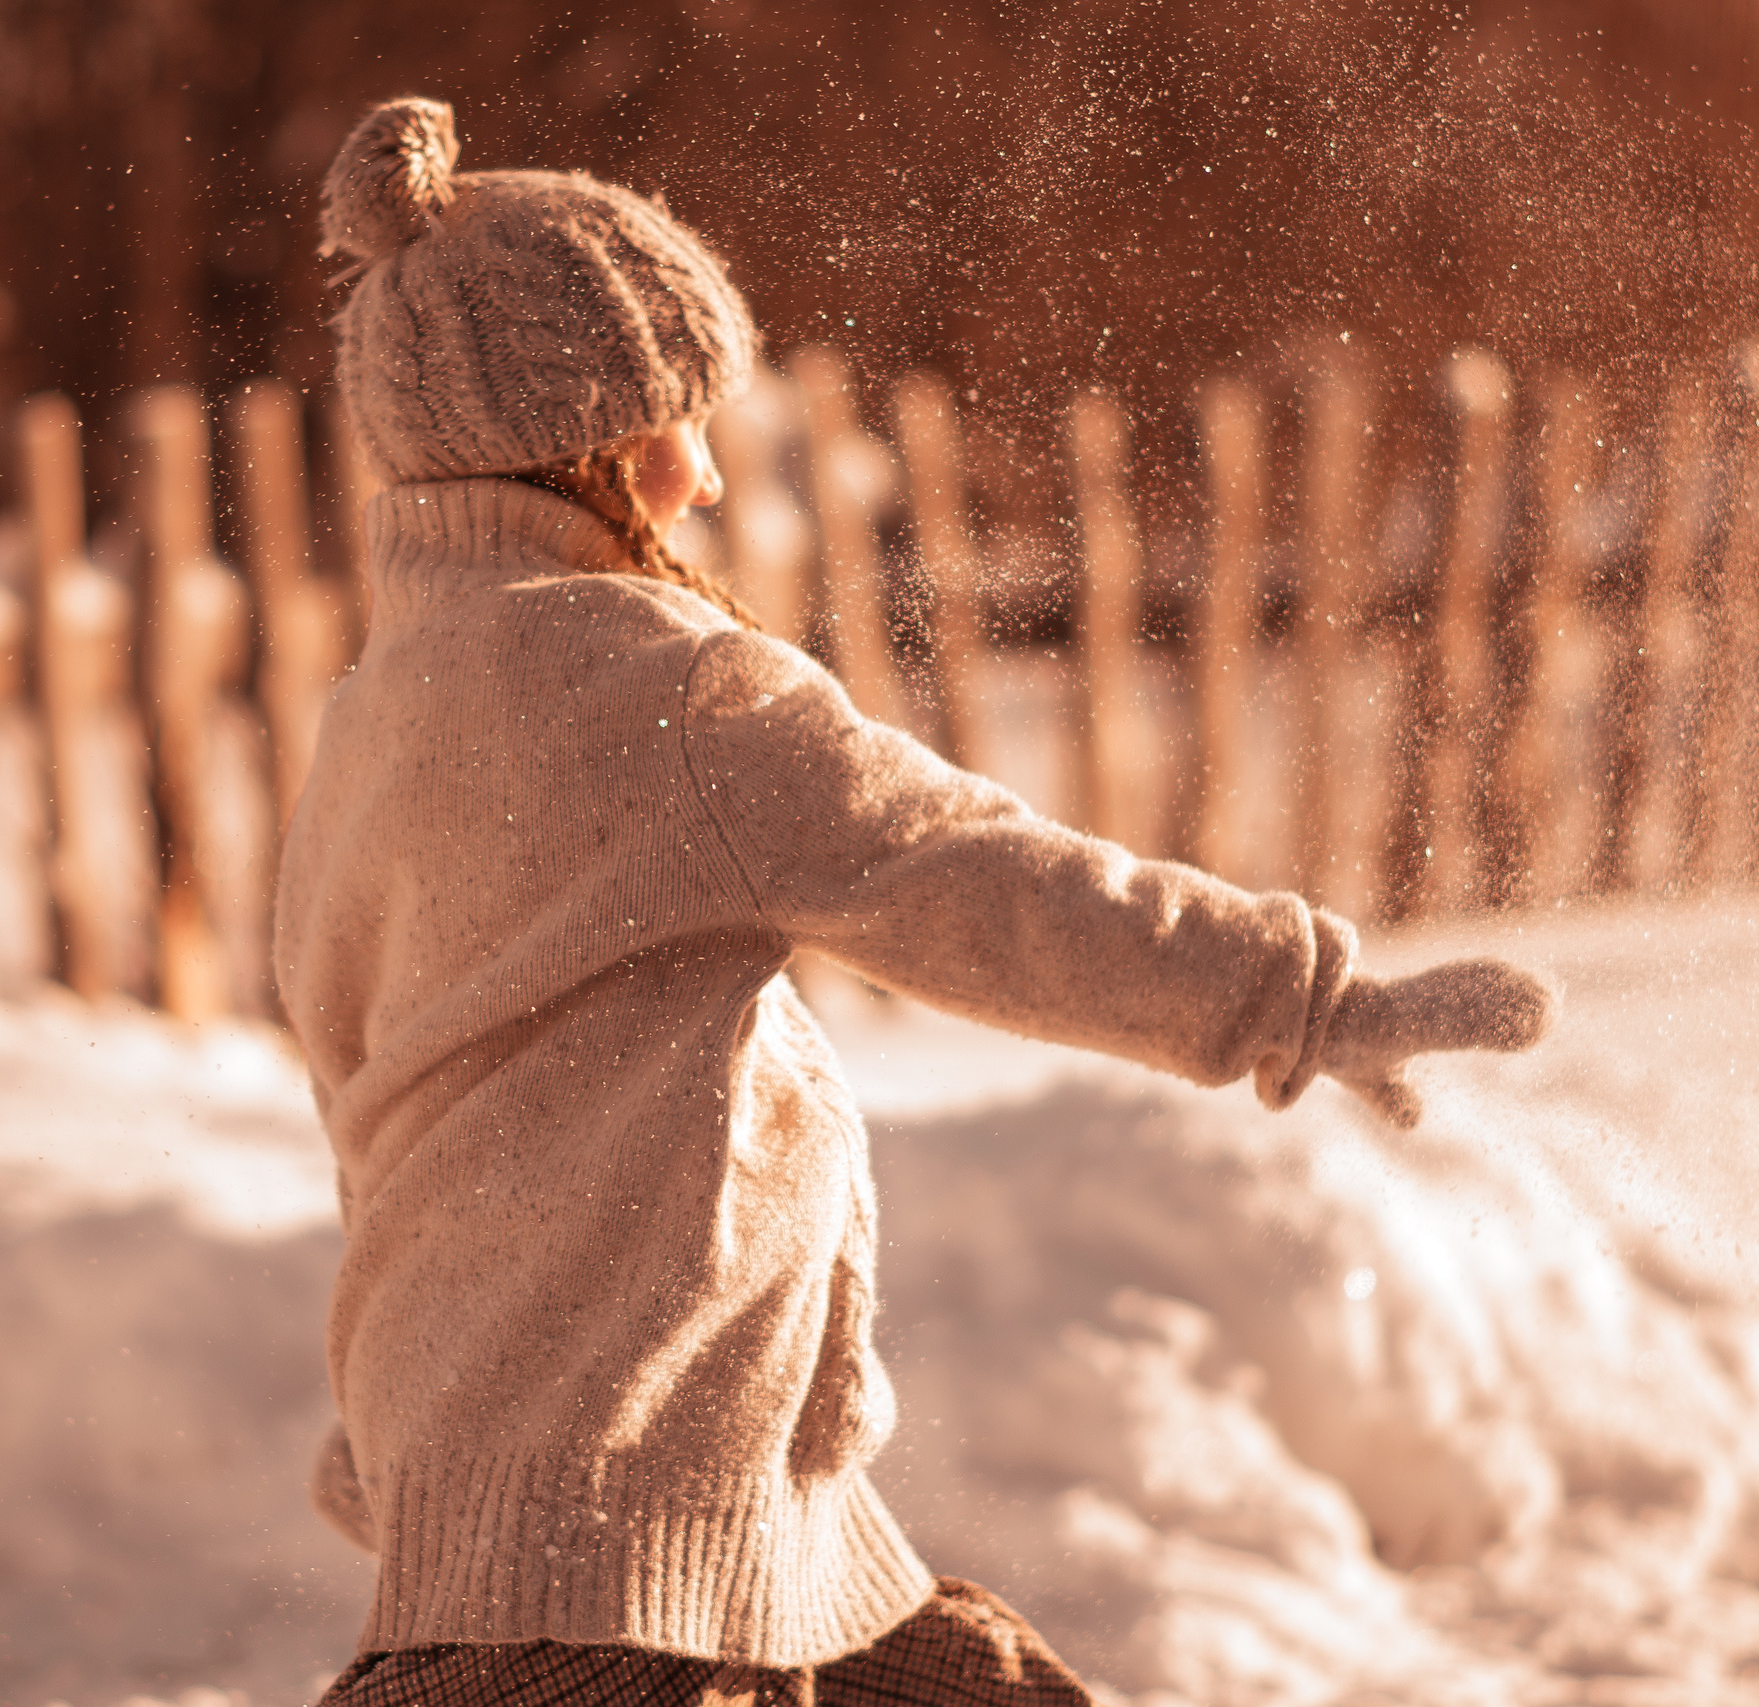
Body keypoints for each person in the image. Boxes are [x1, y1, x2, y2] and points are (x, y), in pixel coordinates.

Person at [276, 96, 1555, 1707]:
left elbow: (367, 1089)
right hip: (622, 1522)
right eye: (677, 425)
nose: (704, 480)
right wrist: (1292, 995)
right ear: (585, 441)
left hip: (649, 1499)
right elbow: (970, 876)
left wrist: (403, 1431)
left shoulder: (367, 728)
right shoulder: (666, 689)